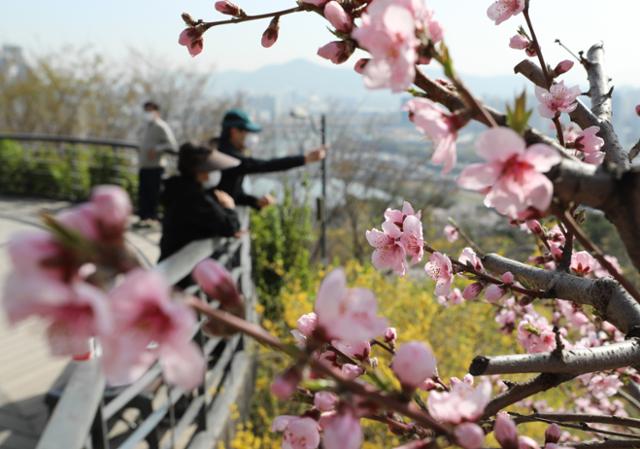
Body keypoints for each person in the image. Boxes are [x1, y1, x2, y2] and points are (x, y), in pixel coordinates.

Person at [216, 108, 326, 209]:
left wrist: (255, 202)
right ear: (234, 131)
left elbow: (232, 193)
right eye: (247, 132)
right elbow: (266, 165)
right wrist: (304, 159)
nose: (250, 136)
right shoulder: (226, 157)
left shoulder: (226, 152)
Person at [158, 142, 241, 262]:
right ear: (198, 170)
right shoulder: (194, 197)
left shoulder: (176, 189)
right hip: (182, 268)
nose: (211, 174)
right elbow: (229, 227)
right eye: (208, 170)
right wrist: (229, 207)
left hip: (170, 258)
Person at [137, 101, 178, 227]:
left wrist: (156, 149)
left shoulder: (161, 126)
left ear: (156, 111)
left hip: (156, 167)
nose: (147, 113)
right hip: (144, 166)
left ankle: (152, 219)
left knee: (153, 195)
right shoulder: (147, 126)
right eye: (146, 110)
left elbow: (172, 145)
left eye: (150, 110)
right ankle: (143, 219)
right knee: (143, 194)